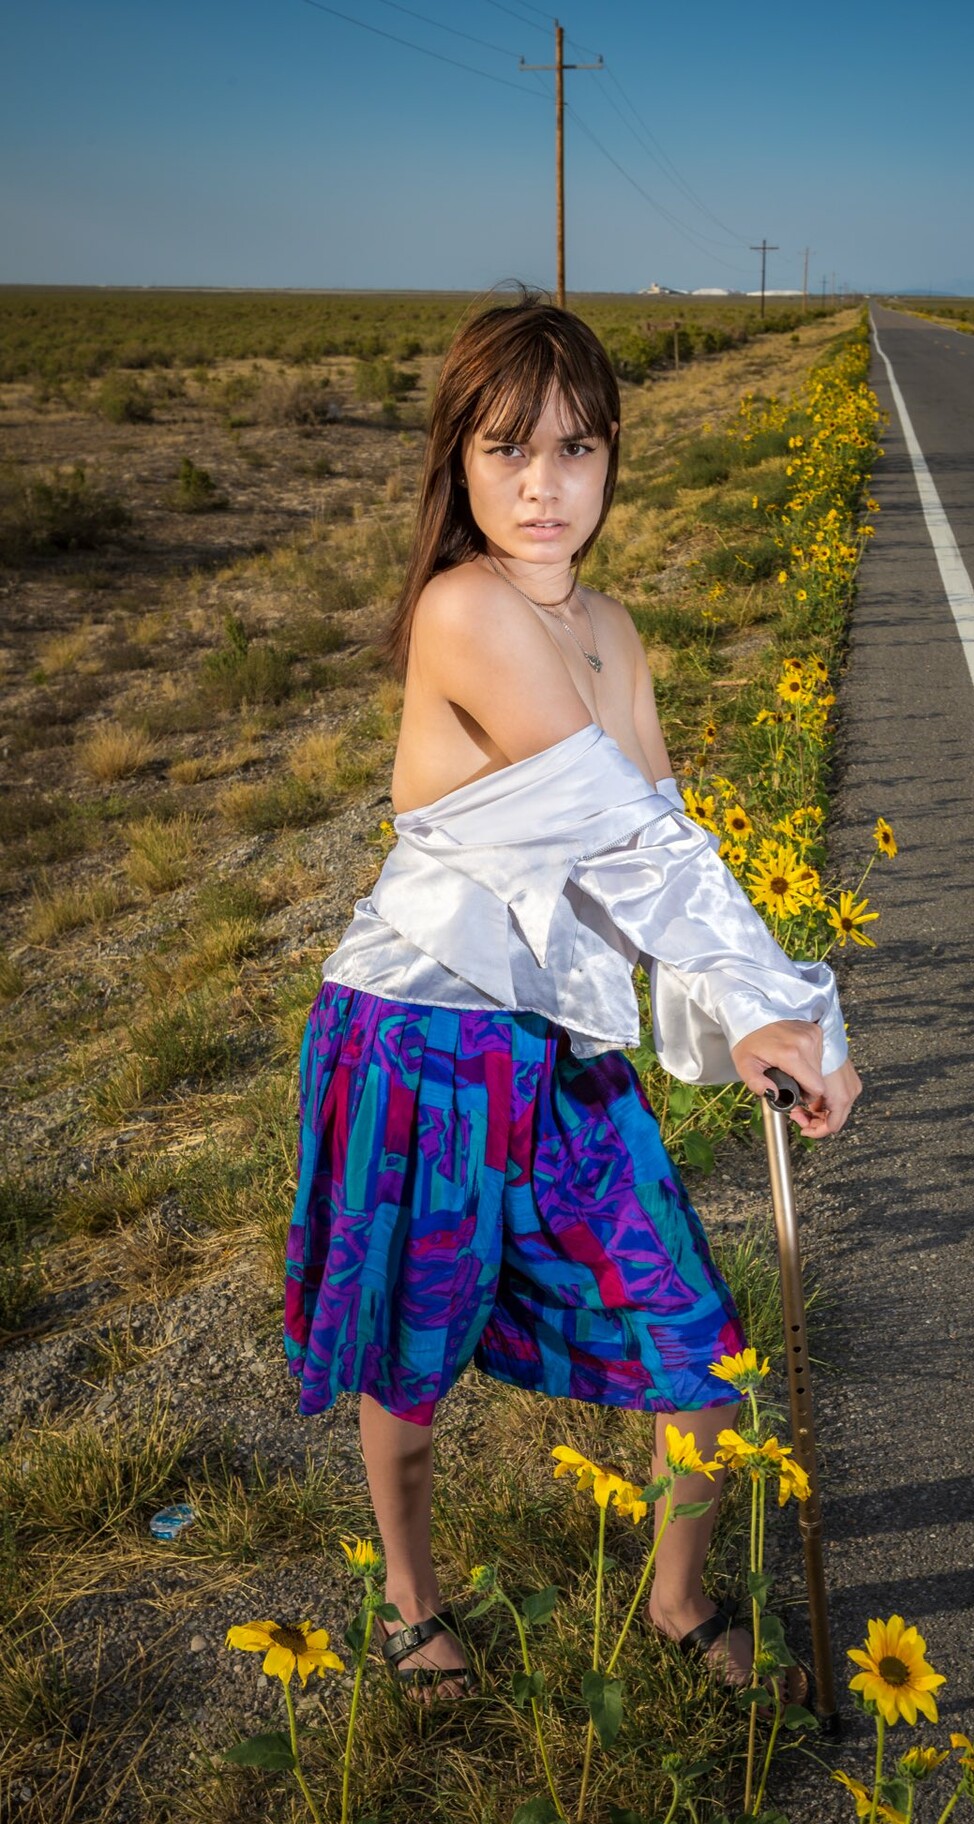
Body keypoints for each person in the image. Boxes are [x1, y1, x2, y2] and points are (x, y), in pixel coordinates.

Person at [283, 287, 862, 1710]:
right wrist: (771, 1004)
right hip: (420, 1042)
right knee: (410, 1361)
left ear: (611, 460)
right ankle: (410, 1598)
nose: (544, 486)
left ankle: (677, 1603)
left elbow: (666, 844)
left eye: (576, 449)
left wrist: (774, 1021)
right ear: (459, 463)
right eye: (507, 450)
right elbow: (617, 839)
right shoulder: (465, 609)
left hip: (560, 1049)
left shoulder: (612, 627)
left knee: (696, 1343)